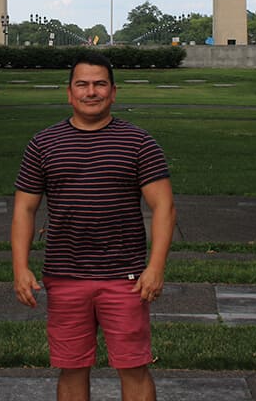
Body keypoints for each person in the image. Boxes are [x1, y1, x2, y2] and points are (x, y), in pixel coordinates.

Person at [11, 52, 176, 401]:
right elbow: (25, 209)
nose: (91, 92)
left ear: (114, 92)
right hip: (65, 275)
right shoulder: (43, 144)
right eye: (82, 85)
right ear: (69, 93)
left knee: (134, 367)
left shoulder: (139, 143)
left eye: (100, 84)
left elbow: (163, 206)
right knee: (71, 368)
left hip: (126, 278)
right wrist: (20, 267)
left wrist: (156, 267)